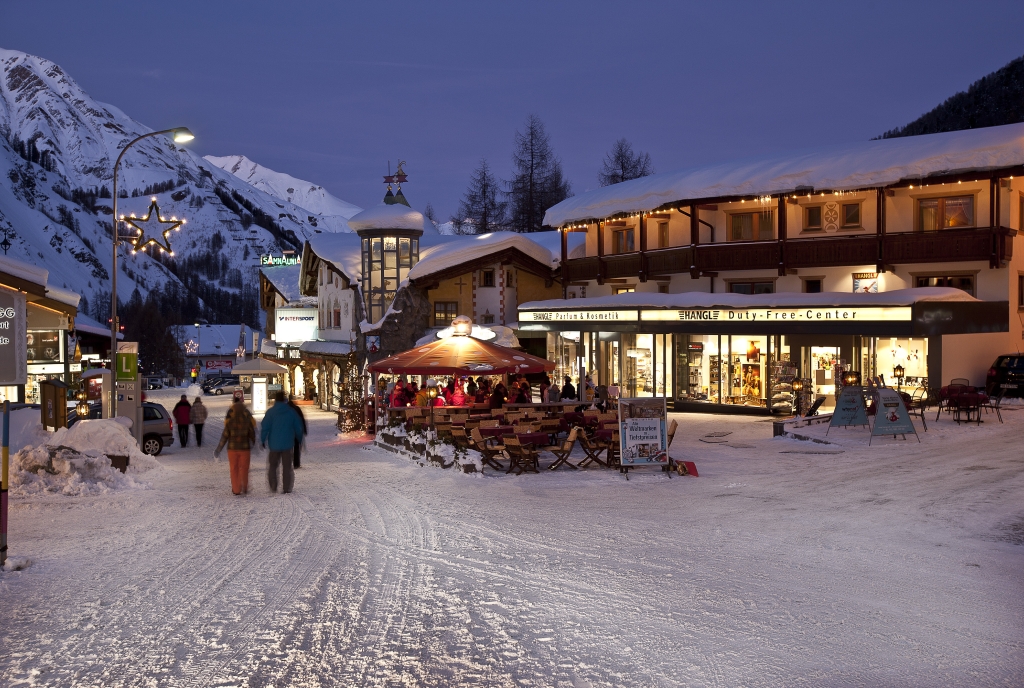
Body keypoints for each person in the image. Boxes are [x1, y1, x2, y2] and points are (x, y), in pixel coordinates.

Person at [260, 391, 305, 494]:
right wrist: (300, 438)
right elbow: (298, 427)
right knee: (287, 467)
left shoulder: (270, 412)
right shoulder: (291, 412)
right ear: (284, 399)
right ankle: (287, 488)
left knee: (273, 466)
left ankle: (273, 486)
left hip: (274, 444)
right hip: (288, 444)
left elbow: (265, 427)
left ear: (275, 400)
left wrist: (263, 440)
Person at [215, 394, 257, 495]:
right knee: (244, 469)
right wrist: (254, 443)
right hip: (245, 448)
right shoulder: (247, 420)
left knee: (234, 469)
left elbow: (224, 436)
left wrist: (219, 449)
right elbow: (252, 433)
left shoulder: (230, 422)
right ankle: (245, 487)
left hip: (232, 449)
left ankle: (236, 489)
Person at [286, 395, 308, 469]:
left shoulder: (285, 410)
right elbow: (302, 420)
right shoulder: (297, 408)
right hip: (296, 431)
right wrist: (304, 430)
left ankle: (287, 463)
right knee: (296, 447)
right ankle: (296, 464)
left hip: (287, 431)